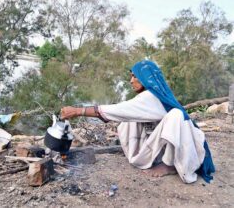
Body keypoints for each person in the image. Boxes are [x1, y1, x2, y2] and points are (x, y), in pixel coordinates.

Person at [60, 60, 215, 184]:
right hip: (167, 146)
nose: (130, 81)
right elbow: (124, 111)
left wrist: (77, 111)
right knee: (128, 119)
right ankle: (147, 158)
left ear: (145, 78)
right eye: (131, 76)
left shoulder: (152, 97)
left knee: (176, 115)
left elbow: (117, 110)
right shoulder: (146, 96)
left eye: (135, 76)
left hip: (186, 150)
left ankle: (169, 165)